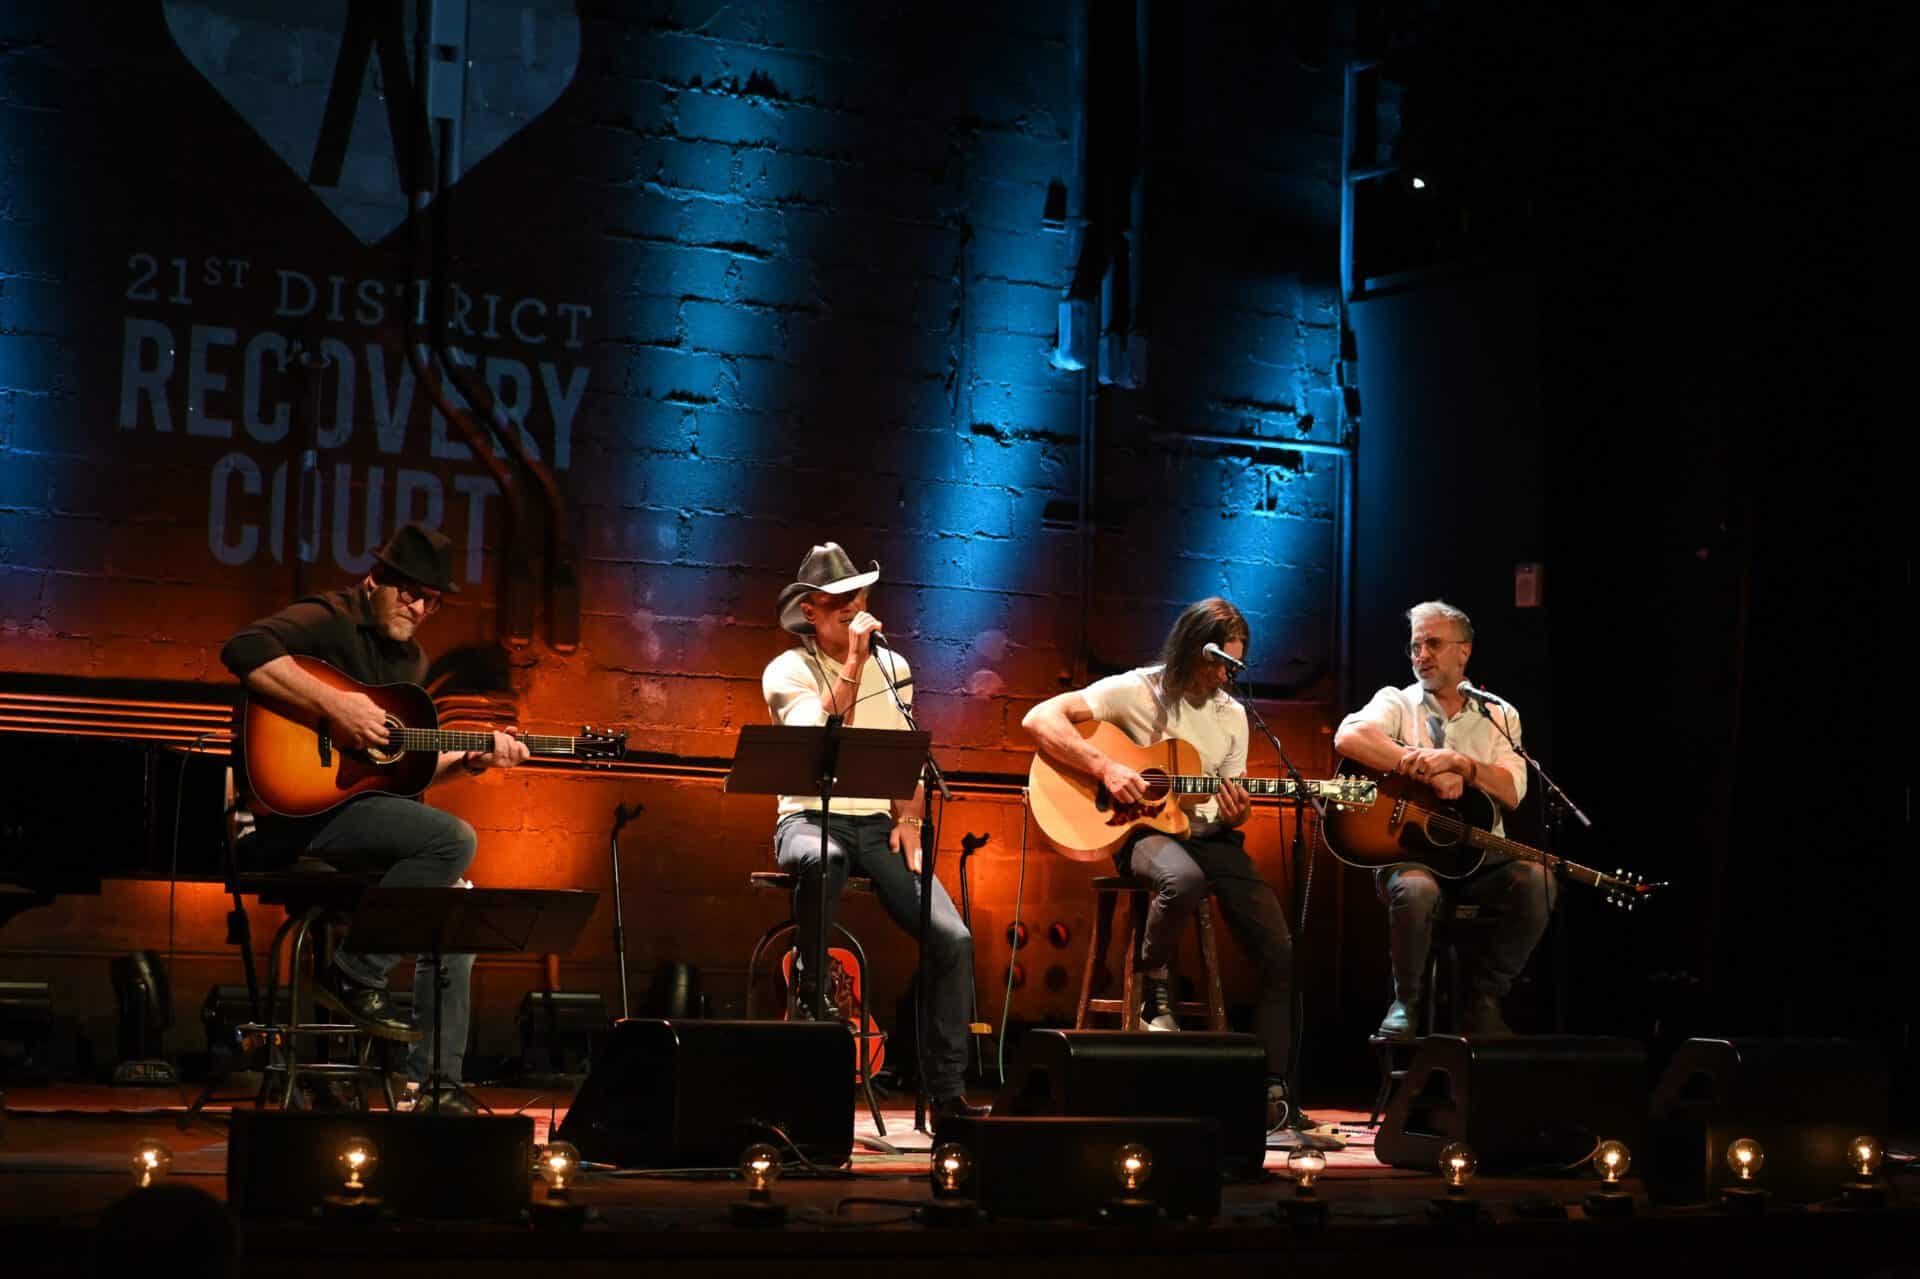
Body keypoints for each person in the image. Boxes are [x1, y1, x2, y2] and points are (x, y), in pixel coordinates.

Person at [220, 523, 529, 1111]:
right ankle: (354, 973)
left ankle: (433, 1087)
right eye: (409, 593)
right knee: (452, 840)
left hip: (363, 818)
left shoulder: (411, 660)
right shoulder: (330, 618)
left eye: (432, 601)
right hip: (299, 818)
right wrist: (339, 706)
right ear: (375, 580)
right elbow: (243, 650)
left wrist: (471, 761)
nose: (419, 609)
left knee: (455, 912)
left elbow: (398, 773)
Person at [1022, 597, 1303, 1131]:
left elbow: (1228, 797)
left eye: (1235, 665)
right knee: (1182, 880)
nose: (1225, 675)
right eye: (1218, 661)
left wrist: (1237, 812)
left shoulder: (1232, 715)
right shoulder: (1136, 691)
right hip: (1142, 831)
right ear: (1190, 649)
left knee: (1280, 949)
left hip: (1211, 837)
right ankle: (1153, 980)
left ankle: (1273, 1091)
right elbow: (1039, 718)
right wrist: (1106, 768)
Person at [761, 542, 988, 1120]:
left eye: (857, 594)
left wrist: (909, 818)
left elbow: (906, 755)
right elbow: (819, 736)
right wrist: (854, 664)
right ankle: (811, 984)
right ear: (810, 610)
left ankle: (947, 1092)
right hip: (808, 820)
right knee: (824, 859)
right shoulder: (787, 670)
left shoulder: (895, 668)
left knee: (953, 939)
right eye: (837, 598)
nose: (852, 605)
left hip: (876, 826)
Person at [1332, 599, 1546, 1040]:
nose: (1421, 655)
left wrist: (1461, 765)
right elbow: (1349, 736)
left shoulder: (1499, 714)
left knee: (1538, 882)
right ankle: (1406, 1001)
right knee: (1417, 889)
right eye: (1415, 646)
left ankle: (1485, 999)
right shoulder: (1397, 701)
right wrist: (1422, 766)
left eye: (1432, 644)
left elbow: (1512, 791)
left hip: (1479, 858)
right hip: (1410, 856)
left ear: (1463, 651)